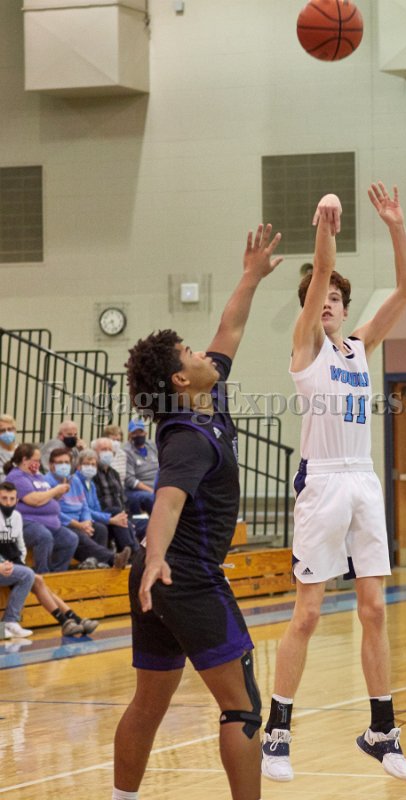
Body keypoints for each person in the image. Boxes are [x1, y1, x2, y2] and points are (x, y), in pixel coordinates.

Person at [112, 223, 283, 800]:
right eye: (189, 352)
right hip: (181, 574)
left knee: (149, 702)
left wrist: (251, 275)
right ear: (181, 379)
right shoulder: (187, 435)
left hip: (158, 575)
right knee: (242, 706)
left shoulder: (211, 397)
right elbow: (167, 499)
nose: (202, 350)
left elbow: (230, 327)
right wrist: (158, 556)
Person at [261, 184, 406, 783]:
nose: (326, 301)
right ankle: (278, 732)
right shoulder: (306, 346)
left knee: (374, 609)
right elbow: (321, 268)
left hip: (364, 482)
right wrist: (326, 227)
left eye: (334, 297)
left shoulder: (359, 348)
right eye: (318, 296)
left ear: (346, 308)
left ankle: (382, 730)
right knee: (307, 613)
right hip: (323, 483)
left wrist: (396, 226)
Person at [0, 481, 99, 636]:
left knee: (37, 580)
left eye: (12, 499)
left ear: (17, 500)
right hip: (3, 566)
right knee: (29, 575)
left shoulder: (17, 517)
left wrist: (20, 563)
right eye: (4, 498)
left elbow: (21, 546)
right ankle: (10, 622)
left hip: (12, 565)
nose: (8, 502)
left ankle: (71, 620)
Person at [44, 448, 131, 570]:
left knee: (100, 529)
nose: (64, 466)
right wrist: (79, 525)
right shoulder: (46, 482)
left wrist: (87, 522)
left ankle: (97, 564)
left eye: (66, 462)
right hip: (63, 523)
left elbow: (84, 505)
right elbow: (55, 512)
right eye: (60, 463)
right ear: (51, 465)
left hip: (80, 521)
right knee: (78, 535)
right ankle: (112, 559)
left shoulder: (74, 480)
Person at [4, 444, 78, 573]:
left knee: (70, 539)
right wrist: (55, 490)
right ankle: (42, 574)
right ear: (25, 460)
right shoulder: (16, 477)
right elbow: (34, 500)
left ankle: (57, 574)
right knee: (44, 536)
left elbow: (46, 497)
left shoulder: (37, 476)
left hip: (49, 522)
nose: (38, 463)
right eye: (36, 460)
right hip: (26, 522)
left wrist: (58, 494)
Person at [78, 445, 139, 555]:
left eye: (93, 465)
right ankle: (131, 551)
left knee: (121, 516)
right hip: (81, 518)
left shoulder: (90, 483)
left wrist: (119, 517)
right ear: (78, 466)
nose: (90, 467)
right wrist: (110, 519)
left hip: (95, 516)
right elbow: (84, 510)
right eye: (86, 464)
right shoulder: (76, 481)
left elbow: (96, 507)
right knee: (113, 517)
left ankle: (130, 550)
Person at [123, 419, 158, 515]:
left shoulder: (152, 446)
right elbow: (130, 480)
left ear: (145, 433)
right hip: (137, 490)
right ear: (130, 435)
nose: (138, 435)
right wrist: (152, 491)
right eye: (135, 433)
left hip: (157, 486)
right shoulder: (126, 451)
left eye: (140, 432)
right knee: (151, 498)